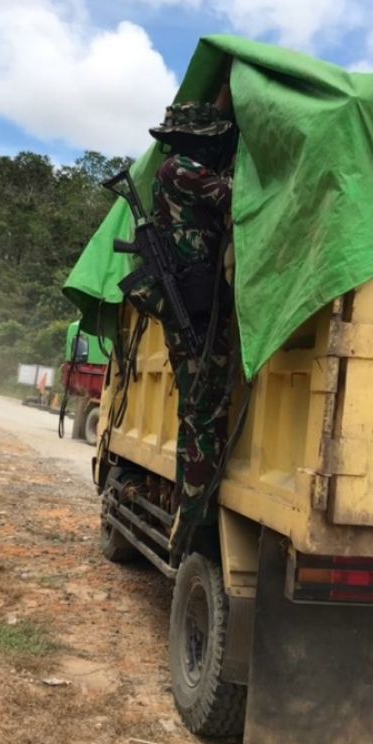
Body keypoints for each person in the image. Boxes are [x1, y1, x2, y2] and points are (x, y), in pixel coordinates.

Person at [147, 99, 238, 560]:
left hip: (195, 304)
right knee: (204, 410)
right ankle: (196, 512)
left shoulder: (176, 170)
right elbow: (234, 195)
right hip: (194, 307)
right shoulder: (179, 170)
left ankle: (193, 503)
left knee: (200, 406)